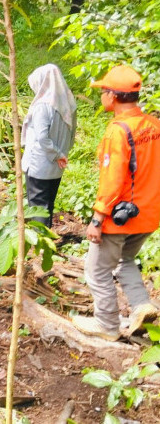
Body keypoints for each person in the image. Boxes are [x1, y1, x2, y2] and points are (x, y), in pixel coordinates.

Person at [72, 65, 160, 341]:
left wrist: (98, 219)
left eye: (103, 91)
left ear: (112, 96)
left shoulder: (118, 132)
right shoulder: (154, 126)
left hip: (121, 216)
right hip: (149, 214)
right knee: (126, 259)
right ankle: (141, 305)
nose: (101, 96)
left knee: (96, 269)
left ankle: (107, 325)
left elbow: (113, 179)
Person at [21, 64, 77, 227]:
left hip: (40, 164)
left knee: (38, 206)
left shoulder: (43, 106)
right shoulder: (69, 104)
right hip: (57, 165)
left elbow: (42, 137)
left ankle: (41, 244)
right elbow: (72, 134)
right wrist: (62, 154)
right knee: (47, 204)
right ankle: (46, 240)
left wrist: (57, 154)